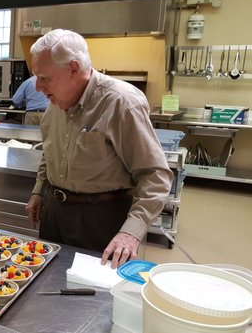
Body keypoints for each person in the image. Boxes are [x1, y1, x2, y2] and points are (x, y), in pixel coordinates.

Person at [24, 29, 173, 268]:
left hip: (101, 219)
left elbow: (155, 175)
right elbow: (51, 151)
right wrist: (39, 191)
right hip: (54, 214)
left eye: (45, 78)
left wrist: (131, 232)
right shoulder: (55, 101)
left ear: (73, 68)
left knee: (95, 296)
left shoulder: (121, 103)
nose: (38, 86)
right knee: (47, 283)